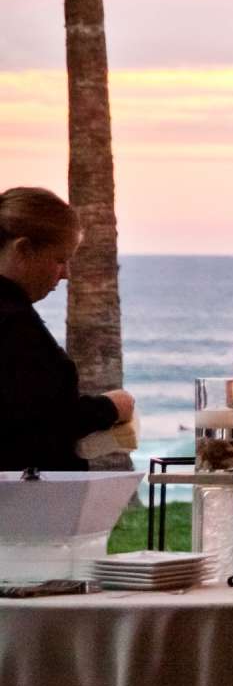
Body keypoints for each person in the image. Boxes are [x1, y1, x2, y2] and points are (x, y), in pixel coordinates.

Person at [0, 187, 135, 472]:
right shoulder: (12, 321)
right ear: (23, 249)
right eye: (60, 260)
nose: (66, 274)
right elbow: (35, 421)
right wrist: (110, 408)